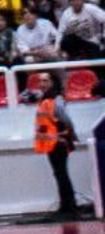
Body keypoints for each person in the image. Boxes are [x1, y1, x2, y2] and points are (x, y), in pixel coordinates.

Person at [31, 73, 83, 218]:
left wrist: (71, 132)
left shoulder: (56, 98)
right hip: (51, 141)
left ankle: (70, 208)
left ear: (53, 82)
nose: (42, 83)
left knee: (62, 174)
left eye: (45, 80)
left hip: (58, 142)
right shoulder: (46, 98)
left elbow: (64, 116)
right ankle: (66, 206)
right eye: (40, 81)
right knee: (59, 174)